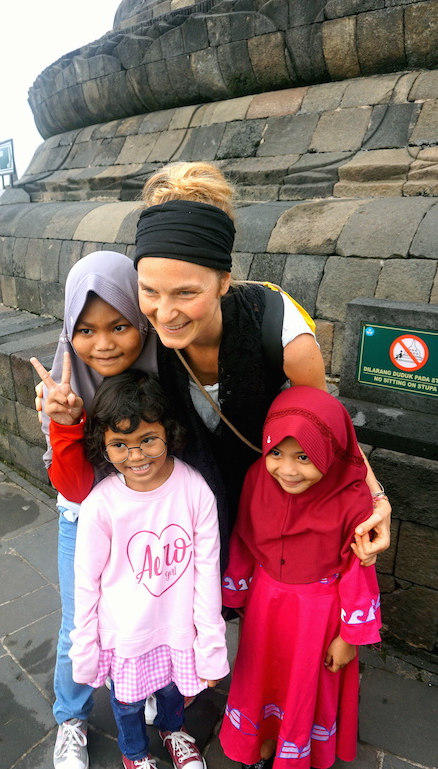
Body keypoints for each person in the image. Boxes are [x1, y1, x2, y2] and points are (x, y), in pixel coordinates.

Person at [133, 162, 391, 566]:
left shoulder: (281, 332)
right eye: (149, 290)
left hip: (268, 504)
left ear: (222, 282)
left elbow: (325, 426)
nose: (165, 313)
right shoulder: (137, 330)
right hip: (184, 510)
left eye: (185, 293)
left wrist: (376, 497)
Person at [69, 370, 229, 769]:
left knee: (176, 689)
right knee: (128, 701)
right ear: (103, 443)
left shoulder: (194, 489)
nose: (135, 455)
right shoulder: (101, 504)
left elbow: (206, 571)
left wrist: (210, 644)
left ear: (169, 434)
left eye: (147, 440)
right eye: (120, 445)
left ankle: (174, 731)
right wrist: (86, 645)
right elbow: (86, 582)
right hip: (126, 631)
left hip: (177, 626)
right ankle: (135, 754)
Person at [220, 386, 382, 769]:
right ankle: (264, 742)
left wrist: (350, 636)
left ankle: (299, 766)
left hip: (320, 616)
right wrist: (234, 592)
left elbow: (358, 566)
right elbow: (244, 536)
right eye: (278, 453)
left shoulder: (352, 496)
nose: (288, 470)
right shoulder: (258, 477)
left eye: (304, 457)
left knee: (307, 688)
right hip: (266, 606)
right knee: (262, 676)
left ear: (330, 452)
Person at [30, 251, 157, 769]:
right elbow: (76, 485)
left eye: (120, 326)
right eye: (85, 329)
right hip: (83, 521)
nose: (103, 344)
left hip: (146, 518)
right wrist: (65, 423)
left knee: (145, 612)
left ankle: (146, 684)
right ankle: (72, 717)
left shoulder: (161, 374)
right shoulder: (62, 388)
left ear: (141, 323)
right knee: (80, 624)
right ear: (68, 330)